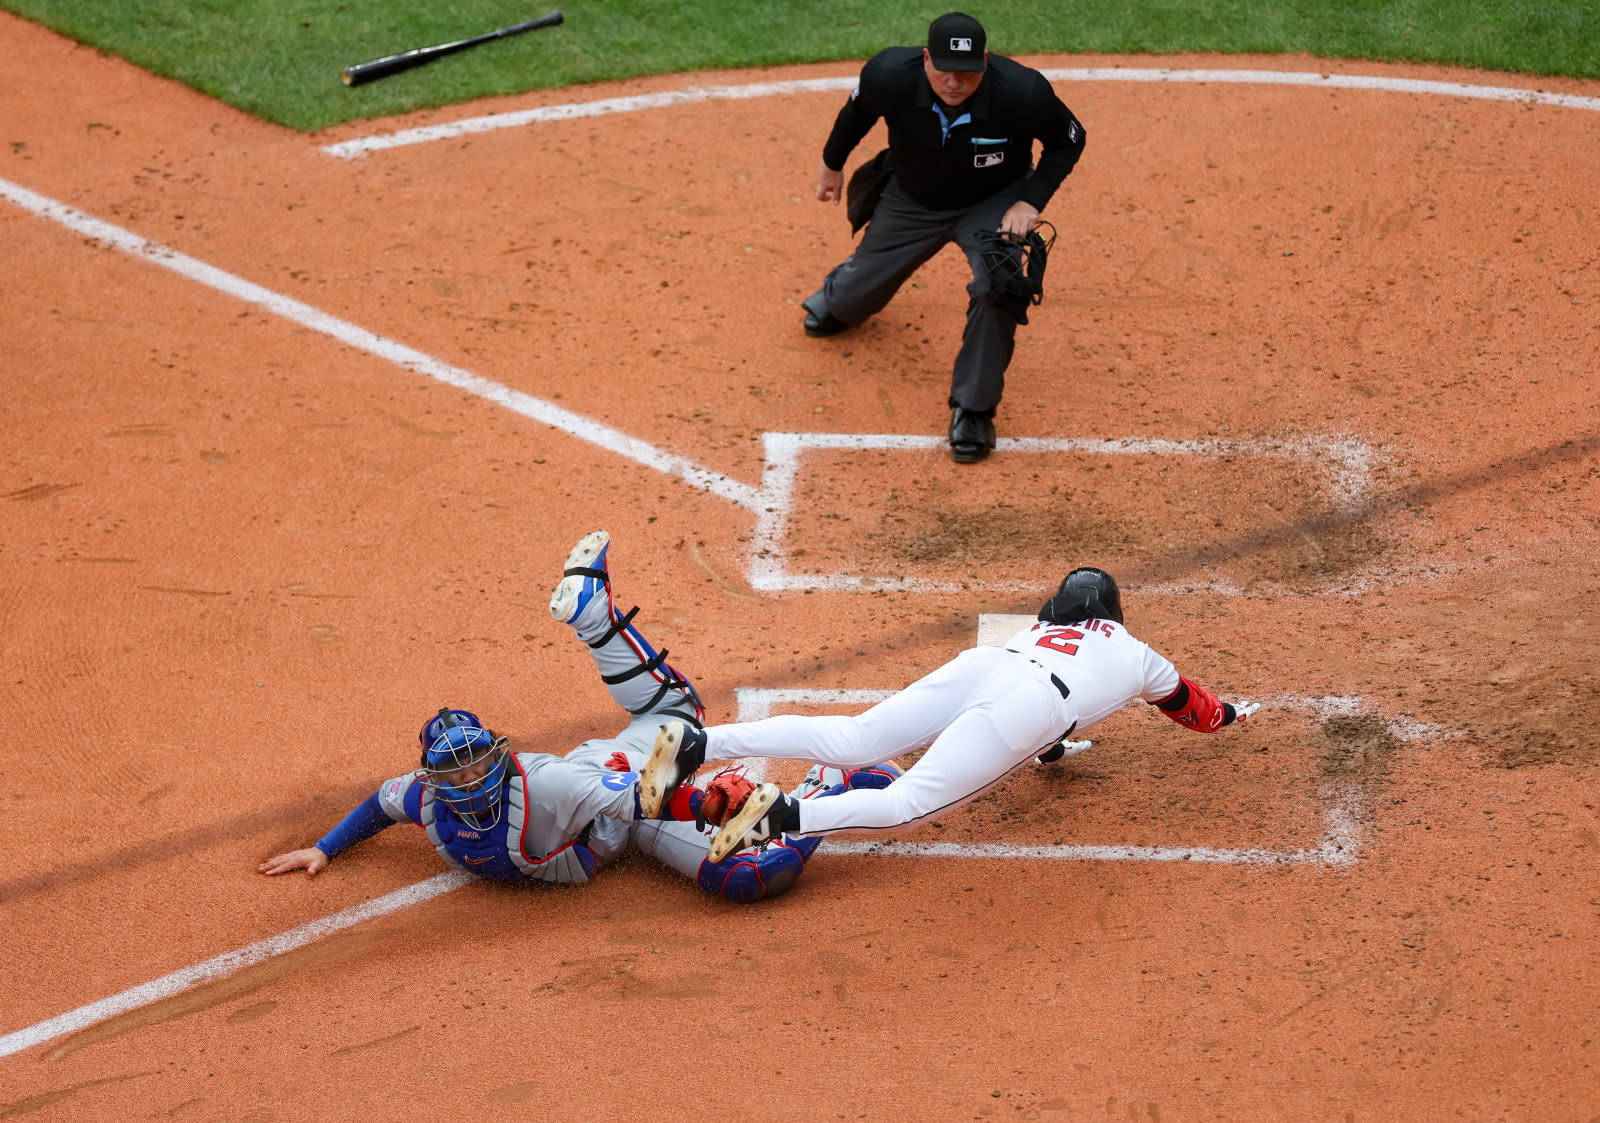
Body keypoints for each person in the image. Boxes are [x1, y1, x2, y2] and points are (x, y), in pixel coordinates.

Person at [258, 531, 899, 903]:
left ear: (498, 755)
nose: (470, 777)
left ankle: (829, 783)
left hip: (638, 786)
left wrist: (707, 806)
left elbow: (648, 800)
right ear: (434, 778)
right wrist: (324, 848)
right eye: (456, 771)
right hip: (617, 807)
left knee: (744, 860)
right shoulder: (422, 798)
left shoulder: (549, 785)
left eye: (476, 762)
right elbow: (378, 804)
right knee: (668, 720)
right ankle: (596, 622)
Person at [638, 567, 1261, 863]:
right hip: (1033, 704)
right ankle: (782, 815)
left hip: (986, 665)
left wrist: (1049, 751)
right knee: (907, 802)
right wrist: (1230, 714)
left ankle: (700, 744)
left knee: (855, 736)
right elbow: (1192, 708)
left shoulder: (1041, 630)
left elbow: (1034, 707)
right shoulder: (1139, 655)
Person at [801, 11, 1087, 464]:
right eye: (944, 70)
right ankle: (841, 294)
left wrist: (1029, 202)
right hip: (912, 199)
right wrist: (832, 163)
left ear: (985, 62)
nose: (954, 83)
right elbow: (858, 113)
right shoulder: (889, 76)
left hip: (993, 202)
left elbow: (1069, 140)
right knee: (847, 303)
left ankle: (973, 409)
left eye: (967, 72)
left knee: (999, 284)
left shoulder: (1023, 92)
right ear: (925, 59)